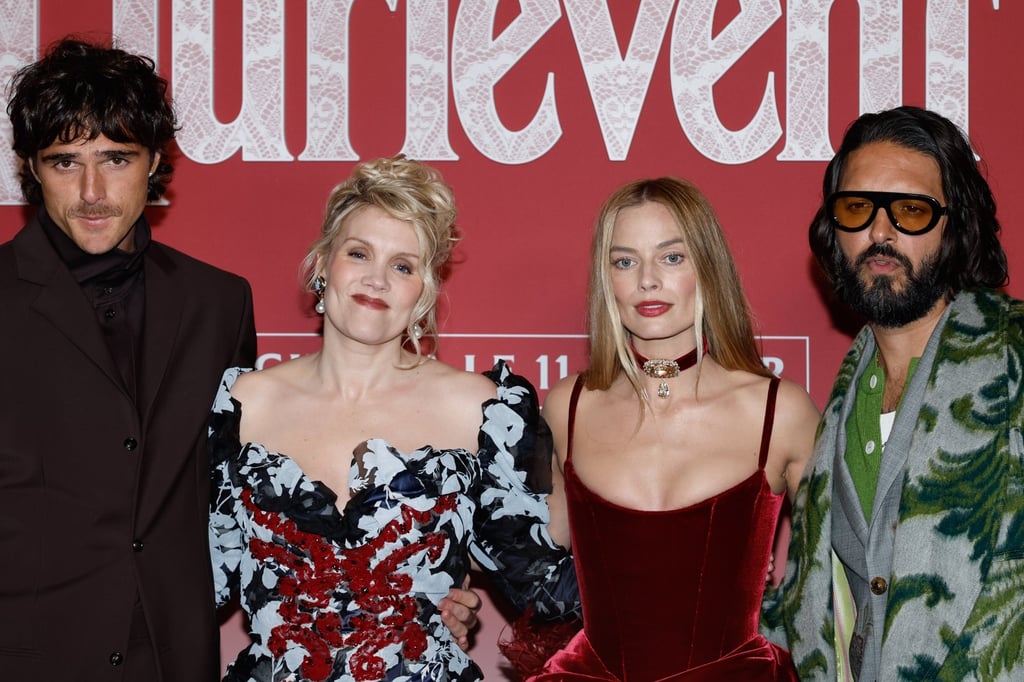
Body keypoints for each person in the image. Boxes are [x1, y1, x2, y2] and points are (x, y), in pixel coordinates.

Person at [207, 155, 579, 681]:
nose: (376, 279)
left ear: (424, 293)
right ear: (320, 266)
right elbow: (194, 581)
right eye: (359, 253)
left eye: (402, 266)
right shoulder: (241, 404)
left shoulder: (483, 412)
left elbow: (544, 583)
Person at [0, 38, 257, 680]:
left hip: (171, 655)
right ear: (31, 168)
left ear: (153, 164)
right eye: (65, 162)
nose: (92, 191)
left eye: (115, 158)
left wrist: (419, 591)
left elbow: (245, 485)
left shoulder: (219, 302)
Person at [768, 106, 1023, 680]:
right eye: (857, 208)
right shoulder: (836, 407)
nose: (880, 233)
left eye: (911, 210)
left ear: (954, 227)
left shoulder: (1015, 358)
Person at [528, 177, 818, 680]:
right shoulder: (567, 407)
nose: (646, 280)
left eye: (671, 257)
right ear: (607, 280)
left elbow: (843, 577)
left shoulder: (780, 411)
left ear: (707, 267)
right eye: (624, 261)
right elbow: (532, 562)